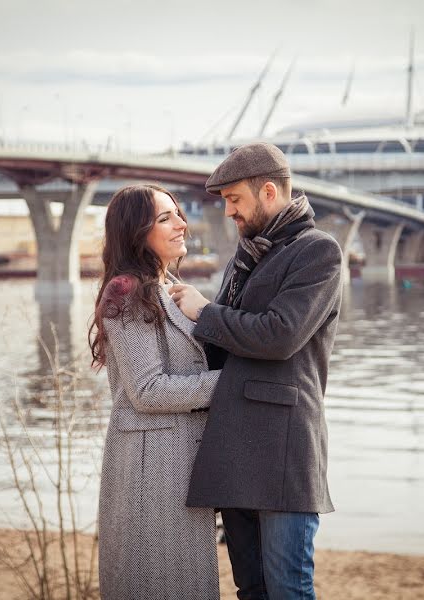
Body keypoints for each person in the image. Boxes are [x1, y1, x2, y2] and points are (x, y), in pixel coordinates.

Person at [170, 143, 343, 600]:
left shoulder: (318, 253)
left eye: (234, 200)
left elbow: (280, 335)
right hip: (232, 449)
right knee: (252, 589)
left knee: (288, 589)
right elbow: (223, 344)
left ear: (268, 191)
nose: (228, 212)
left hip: (284, 452)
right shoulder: (246, 256)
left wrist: (205, 313)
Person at [89, 183, 220, 600]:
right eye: (165, 218)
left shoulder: (166, 289)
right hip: (151, 470)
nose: (182, 223)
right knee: (156, 585)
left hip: (178, 464)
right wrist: (231, 386)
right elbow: (147, 390)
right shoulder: (125, 291)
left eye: (178, 213)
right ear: (136, 232)